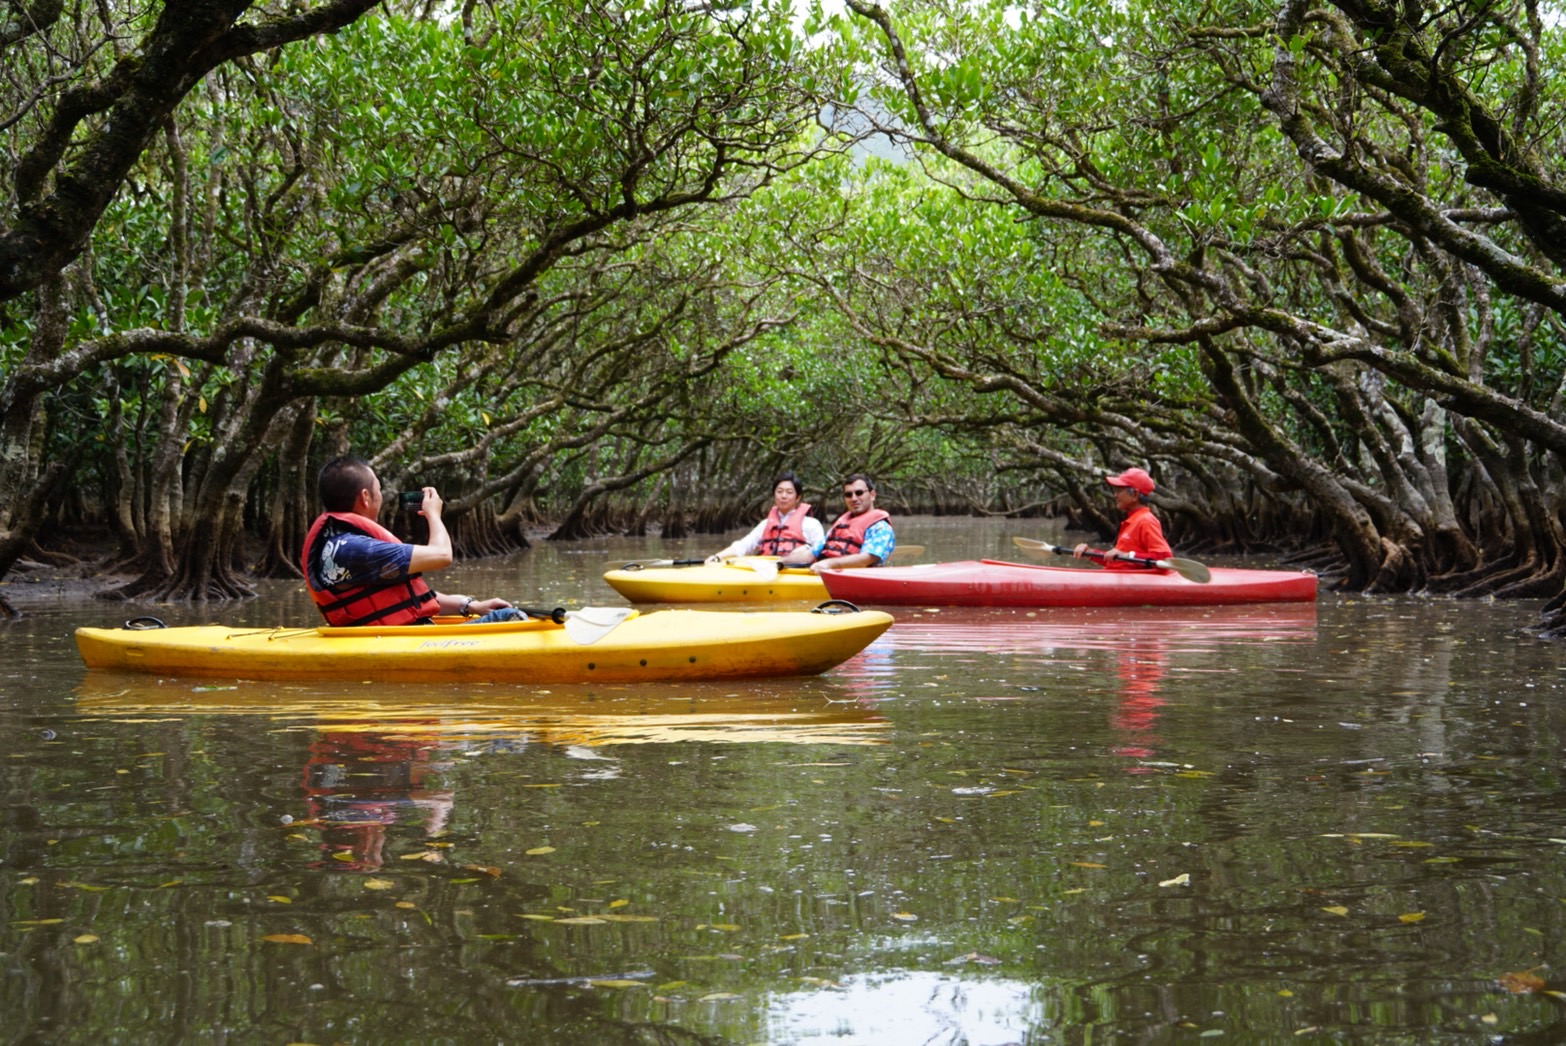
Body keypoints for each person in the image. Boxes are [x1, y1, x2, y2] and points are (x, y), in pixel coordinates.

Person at [302, 455, 520, 626]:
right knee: (511, 615)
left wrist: (473, 606)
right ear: (365, 497)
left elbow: (414, 599)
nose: (382, 496)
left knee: (502, 615)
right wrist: (433, 514)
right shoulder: (354, 550)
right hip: (400, 641)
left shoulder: (342, 544)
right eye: (379, 489)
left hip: (398, 635)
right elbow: (442, 555)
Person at [785, 472, 895, 573]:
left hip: (853, 577)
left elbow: (866, 559)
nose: (854, 498)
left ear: (872, 495)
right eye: (848, 495)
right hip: (823, 570)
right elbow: (812, 553)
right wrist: (781, 562)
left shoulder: (881, 527)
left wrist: (830, 564)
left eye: (859, 493)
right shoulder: (841, 523)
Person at [706, 472, 824, 563]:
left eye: (789, 492)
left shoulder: (811, 524)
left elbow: (821, 551)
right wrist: (718, 556)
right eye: (779, 491)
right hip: (768, 572)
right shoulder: (765, 525)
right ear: (774, 495)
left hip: (796, 573)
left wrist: (807, 551)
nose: (783, 496)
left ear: (797, 498)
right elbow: (744, 545)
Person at [1074, 467, 1173, 570]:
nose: (1115, 495)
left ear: (1134, 494)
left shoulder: (1146, 521)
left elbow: (1165, 558)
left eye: (1119, 490)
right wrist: (1090, 553)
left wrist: (1127, 556)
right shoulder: (1133, 520)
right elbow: (1117, 561)